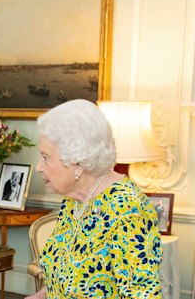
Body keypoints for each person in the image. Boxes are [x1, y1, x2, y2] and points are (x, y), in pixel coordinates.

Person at [25, 99, 162, 299]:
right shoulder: (76, 200)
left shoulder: (129, 212)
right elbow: (68, 276)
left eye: (46, 157)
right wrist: (44, 294)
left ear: (77, 163)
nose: (38, 167)